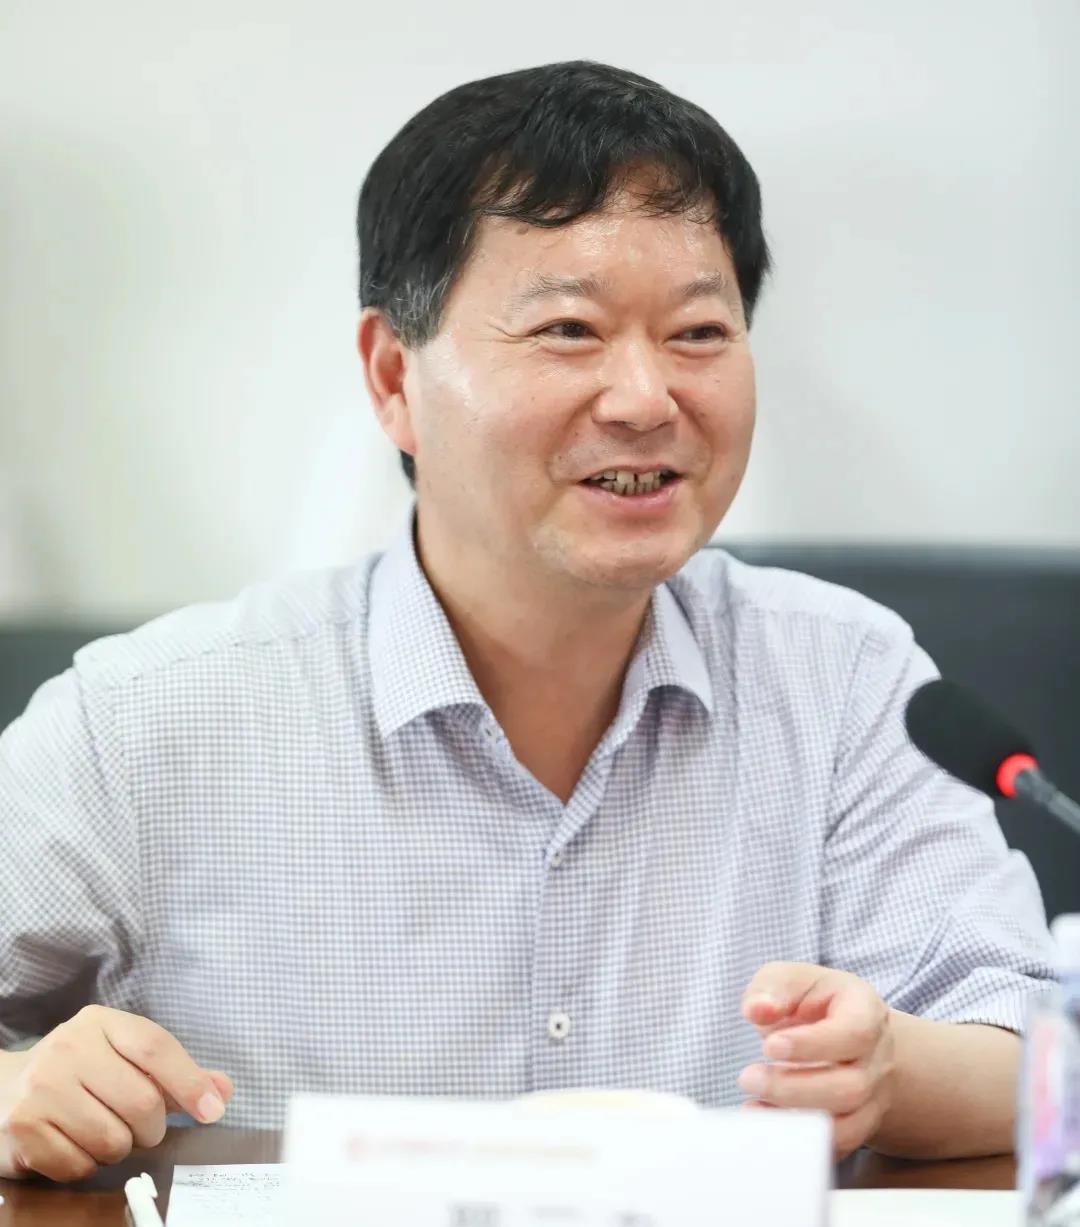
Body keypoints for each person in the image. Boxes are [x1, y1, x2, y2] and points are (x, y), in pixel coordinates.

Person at [0, 59, 1055, 1184]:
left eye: (699, 333)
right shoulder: (148, 721)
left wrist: (890, 1069)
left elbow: (1035, 1053)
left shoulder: (845, 680)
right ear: (394, 376)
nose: (646, 398)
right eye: (568, 330)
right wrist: (16, 1088)